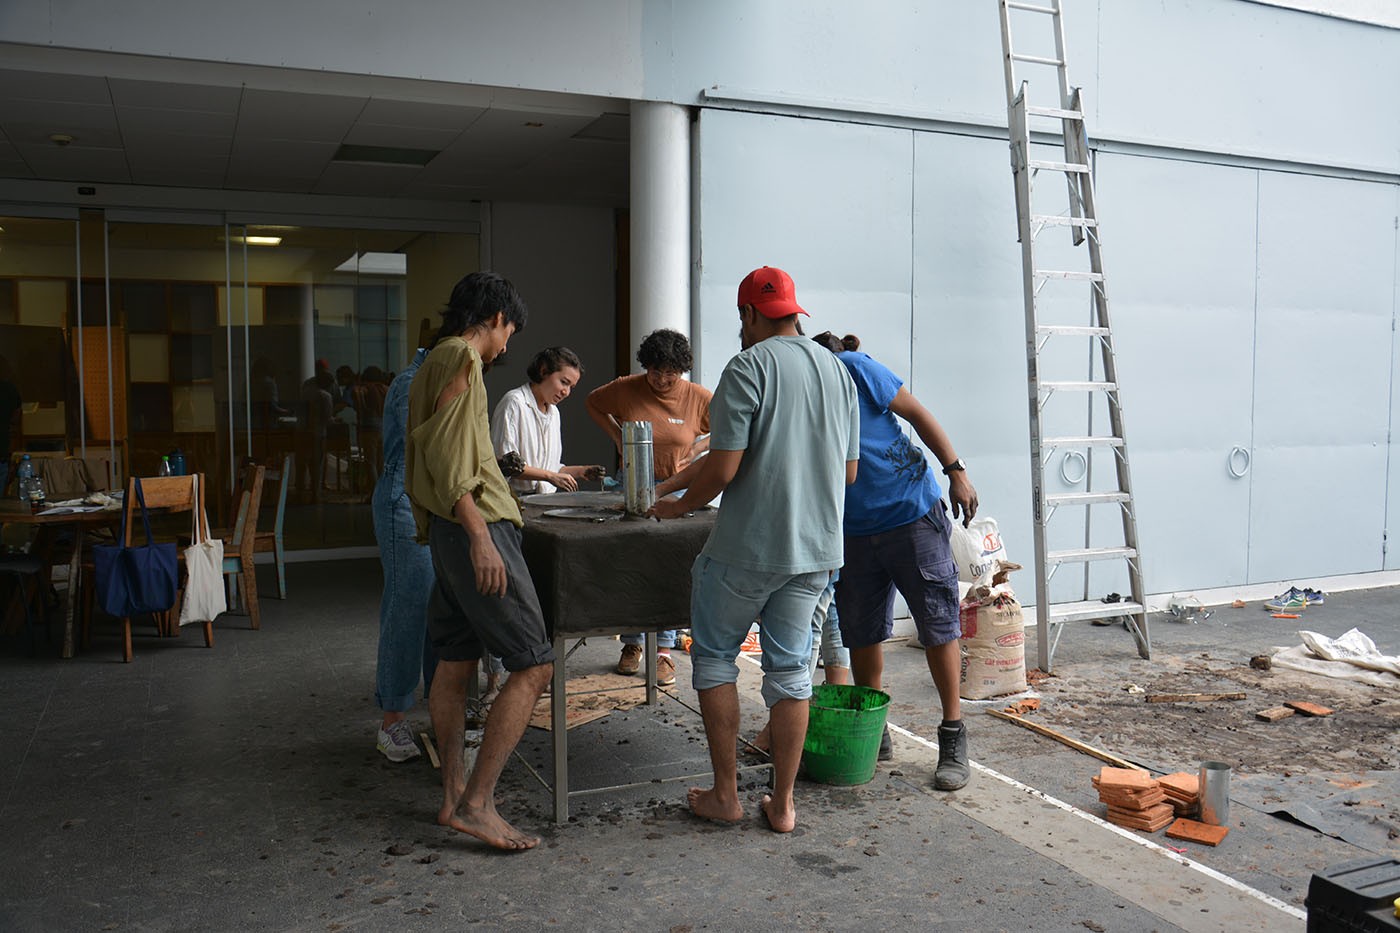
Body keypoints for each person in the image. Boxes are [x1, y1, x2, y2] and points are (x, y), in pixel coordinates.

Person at [651, 266, 859, 833]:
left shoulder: (747, 367)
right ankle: (783, 804)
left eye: (741, 319)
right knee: (791, 675)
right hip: (816, 551)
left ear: (749, 313)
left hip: (747, 550)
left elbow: (723, 467)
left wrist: (675, 506)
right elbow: (848, 473)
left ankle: (726, 796)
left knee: (716, 660)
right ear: (793, 312)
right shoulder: (837, 371)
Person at [405, 271, 553, 851]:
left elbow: (436, 451)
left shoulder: (433, 361)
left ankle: (453, 798)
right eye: (509, 330)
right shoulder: (462, 357)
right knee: (534, 663)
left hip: (448, 531)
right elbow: (447, 455)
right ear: (494, 318)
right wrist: (480, 537)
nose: (507, 343)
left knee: (455, 659)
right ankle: (478, 803)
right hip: (474, 526)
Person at [813, 330, 979, 792]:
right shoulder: (802, 393)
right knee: (862, 633)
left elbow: (918, 414)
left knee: (937, 624)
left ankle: (952, 734)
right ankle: (874, 726)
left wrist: (956, 472)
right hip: (853, 530)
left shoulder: (856, 368)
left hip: (911, 514)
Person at [586, 329, 712, 686]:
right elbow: (593, 403)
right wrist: (617, 437)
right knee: (631, 564)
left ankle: (664, 651)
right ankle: (632, 643)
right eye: (656, 371)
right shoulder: (626, 388)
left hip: (677, 490)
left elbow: (731, 429)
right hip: (633, 485)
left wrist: (697, 448)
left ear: (682, 370)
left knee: (670, 567)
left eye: (671, 372)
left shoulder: (698, 397)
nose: (662, 379)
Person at [371, 348, 438, 762]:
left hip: (429, 504)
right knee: (407, 607)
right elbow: (430, 450)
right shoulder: (412, 384)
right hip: (404, 504)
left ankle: (441, 709)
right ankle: (391, 721)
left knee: (435, 609)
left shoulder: (441, 379)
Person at [490, 347, 606, 497]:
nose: (566, 392)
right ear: (544, 371)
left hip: (543, 500)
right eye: (564, 382)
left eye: (571, 387)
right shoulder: (514, 403)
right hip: (514, 500)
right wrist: (550, 476)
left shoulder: (554, 412)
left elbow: (550, 469)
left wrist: (582, 471)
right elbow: (505, 465)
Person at [297, 360, 334, 499]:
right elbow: (327, 417)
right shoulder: (325, 396)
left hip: (302, 431)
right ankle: (315, 493)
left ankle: (300, 490)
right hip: (318, 433)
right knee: (316, 464)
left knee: (302, 463)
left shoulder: (306, 390)